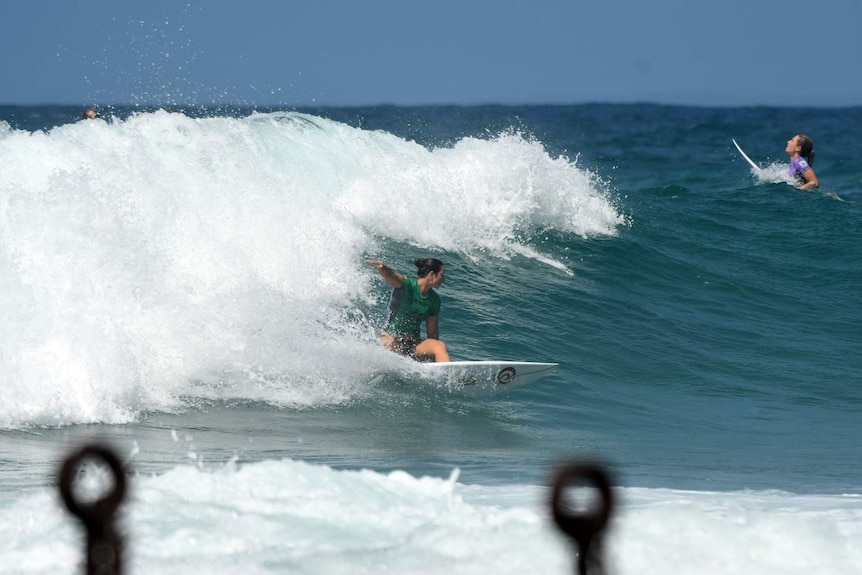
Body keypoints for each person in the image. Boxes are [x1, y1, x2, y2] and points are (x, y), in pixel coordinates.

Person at [367, 258, 450, 362]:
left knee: (439, 346)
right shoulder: (407, 285)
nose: (443, 279)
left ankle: (446, 375)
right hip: (391, 340)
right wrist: (382, 268)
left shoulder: (434, 300)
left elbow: (432, 334)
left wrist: (434, 357)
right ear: (432, 274)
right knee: (387, 353)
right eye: (442, 275)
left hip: (414, 344)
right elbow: (392, 277)